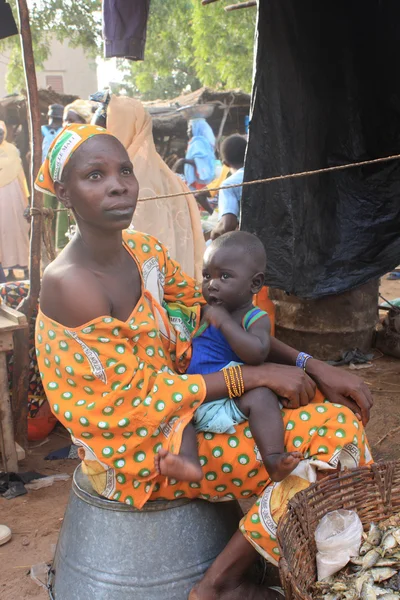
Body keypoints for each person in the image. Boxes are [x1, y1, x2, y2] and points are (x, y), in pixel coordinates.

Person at [35, 124, 373, 600]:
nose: (118, 184)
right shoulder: (71, 283)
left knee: (321, 410)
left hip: (187, 414)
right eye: (95, 175)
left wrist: (310, 364)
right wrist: (254, 375)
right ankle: (220, 584)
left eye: (124, 171)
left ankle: (263, 558)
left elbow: (214, 312)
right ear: (64, 193)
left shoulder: (142, 252)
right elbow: (139, 399)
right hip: (142, 450)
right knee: (333, 435)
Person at [155, 231, 302, 485]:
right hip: (198, 393)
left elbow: (257, 353)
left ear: (254, 284)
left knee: (262, 397)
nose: (212, 284)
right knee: (177, 410)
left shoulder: (254, 318)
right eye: (206, 276)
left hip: (234, 396)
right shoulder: (203, 312)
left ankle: (274, 459)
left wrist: (225, 324)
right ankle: (189, 463)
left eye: (224, 276)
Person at [92, 93, 205, 280]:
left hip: (145, 291)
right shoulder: (165, 177)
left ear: (122, 130)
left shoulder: (131, 183)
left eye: (101, 134)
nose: (93, 143)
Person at [0, 121, 30, 280]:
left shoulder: (12, 150)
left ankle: (20, 266)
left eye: (0, 133)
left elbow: (21, 176)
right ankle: (4, 269)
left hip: (14, 198)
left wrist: (26, 198)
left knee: (16, 230)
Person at [41, 104, 69, 254]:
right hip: (45, 175)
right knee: (47, 211)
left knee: (61, 210)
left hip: (61, 174)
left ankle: (60, 243)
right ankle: (49, 242)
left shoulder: (65, 132)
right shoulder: (42, 131)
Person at [210, 134, 247, 241]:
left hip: (249, 243)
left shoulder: (229, 184)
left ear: (225, 163)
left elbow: (227, 225)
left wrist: (213, 234)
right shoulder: (266, 174)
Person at [173, 118, 216, 191]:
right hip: (197, 179)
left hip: (200, 180)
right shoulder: (196, 142)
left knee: (198, 196)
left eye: (190, 128)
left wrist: (183, 161)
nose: (188, 131)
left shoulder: (198, 142)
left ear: (197, 128)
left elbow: (200, 162)